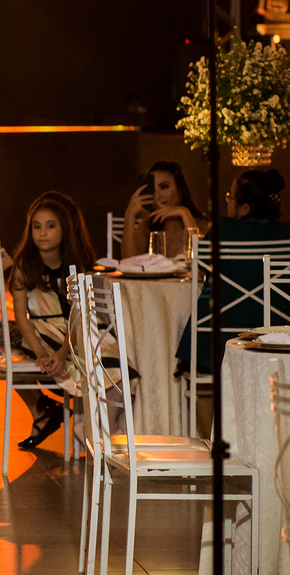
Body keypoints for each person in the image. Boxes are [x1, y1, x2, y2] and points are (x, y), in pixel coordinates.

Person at [176, 169, 290, 435]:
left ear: (244, 208)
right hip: (278, 340)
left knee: (197, 365)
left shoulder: (223, 230)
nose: (226, 201)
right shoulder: (287, 234)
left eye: (230, 197)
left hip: (219, 340)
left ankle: (211, 443)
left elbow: (199, 267)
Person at [6, 191, 97, 449]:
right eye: (37, 227)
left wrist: (62, 352)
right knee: (7, 345)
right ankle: (44, 409)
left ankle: (95, 427)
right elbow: (20, 315)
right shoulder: (25, 265)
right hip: (38, 331)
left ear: (64, 230)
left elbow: (79, 315)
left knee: (101, 355)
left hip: (70, 332)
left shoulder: (75, 264)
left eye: (50, 226)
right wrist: (42, 354)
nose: (42, 233)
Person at [121, 160, 207, 259]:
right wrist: (129, 214)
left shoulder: (198, 223)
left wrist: (184, 213)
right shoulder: (146, 227)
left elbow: (202, 259)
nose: (157, 195)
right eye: (152, 189)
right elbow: (129, 261)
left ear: (179, 190)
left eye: (164, 187)